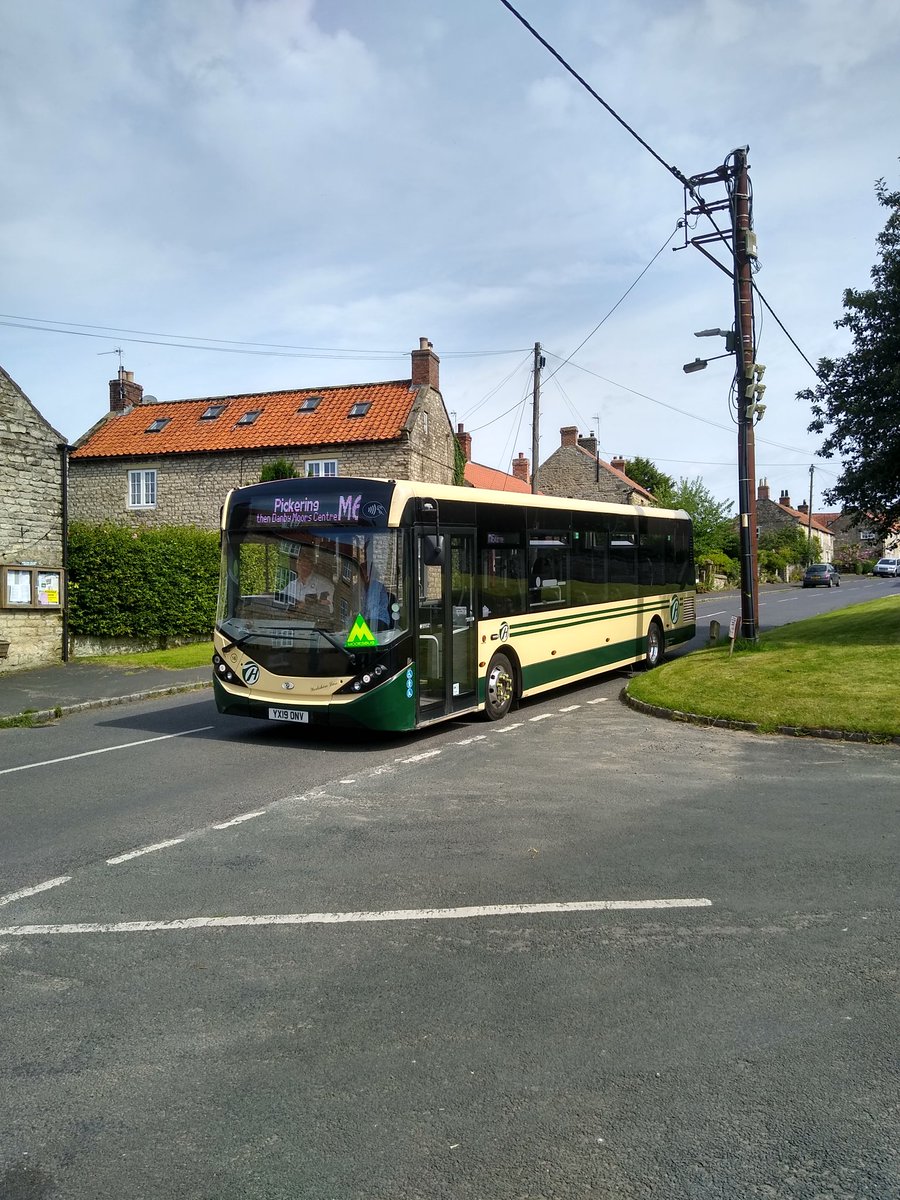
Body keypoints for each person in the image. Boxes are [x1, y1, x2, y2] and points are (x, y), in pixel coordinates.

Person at [287, 546, 333, 611]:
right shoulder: (292, 585)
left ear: (312, 565)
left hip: (313, 619)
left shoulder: (324, 583)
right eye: (299, 561)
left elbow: (330, 608)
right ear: (296, 564)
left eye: (306, 563)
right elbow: (281, 598)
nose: (302, 566)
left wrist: (310, 603)